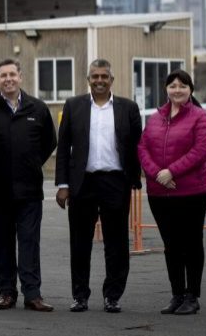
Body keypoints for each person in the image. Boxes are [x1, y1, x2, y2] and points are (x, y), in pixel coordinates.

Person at [55, 59, 143, 314]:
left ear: (112, 80)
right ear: (88, 79)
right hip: (82, 183)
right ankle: (79, 296)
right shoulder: (74, 106)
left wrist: (134, 178)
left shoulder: (128, 107)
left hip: (116, 182)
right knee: (80, 243)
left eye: (104, 76)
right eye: (95, 76)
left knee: (116, 243)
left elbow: (138, 146)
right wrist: (63, 184)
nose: (100, 80)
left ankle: (112, 296)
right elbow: (63, 148)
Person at [0, 59, 57, 312]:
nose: (8, 79)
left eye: (13, 74)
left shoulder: (38, 108)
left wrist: (30, 163)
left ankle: (33, 295)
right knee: (2, 243)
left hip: (29, 190)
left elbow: (49, 143)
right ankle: (6, 293)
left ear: (21, 77)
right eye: (3, 75)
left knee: (29, 242)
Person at [138, 69, 206, 315]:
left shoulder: (200, 117)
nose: (177, 90)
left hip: (192, 192)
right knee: (171, 245)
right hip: (160, 194)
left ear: (190, 89)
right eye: (172, 86)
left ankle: (192, 296)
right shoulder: (155, 117)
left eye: (182, 85)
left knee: (191, 244)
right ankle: (177, 295)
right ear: (166, 90)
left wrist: (171, 172)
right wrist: (157, 174)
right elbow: (142, 147)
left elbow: (202, 149)